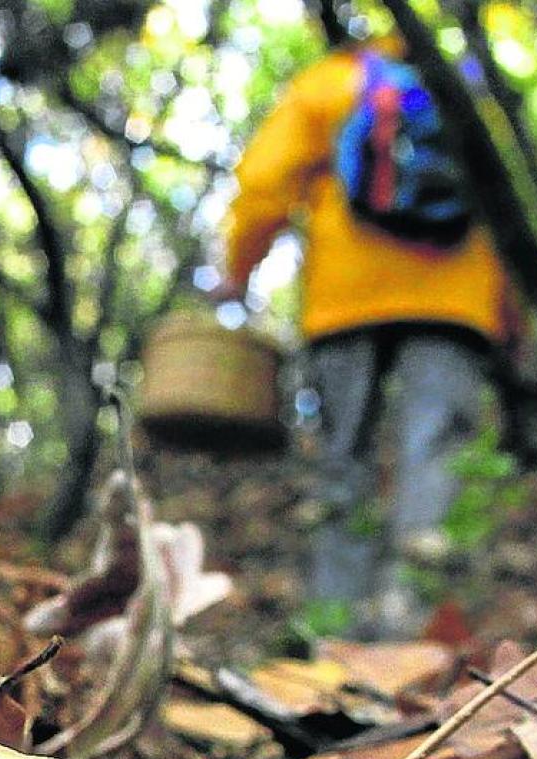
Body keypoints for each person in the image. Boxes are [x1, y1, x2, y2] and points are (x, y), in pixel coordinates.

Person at [216, 29, 516, 639]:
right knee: (436, 449)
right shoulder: (463, 88)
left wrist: (238, 269)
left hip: (344, 300)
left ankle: (336, 633)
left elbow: (265, 179)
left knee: (342, 460)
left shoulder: (331, 81)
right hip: (456, 299)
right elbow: (506, 202)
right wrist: (510, 318)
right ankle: (414, 630)